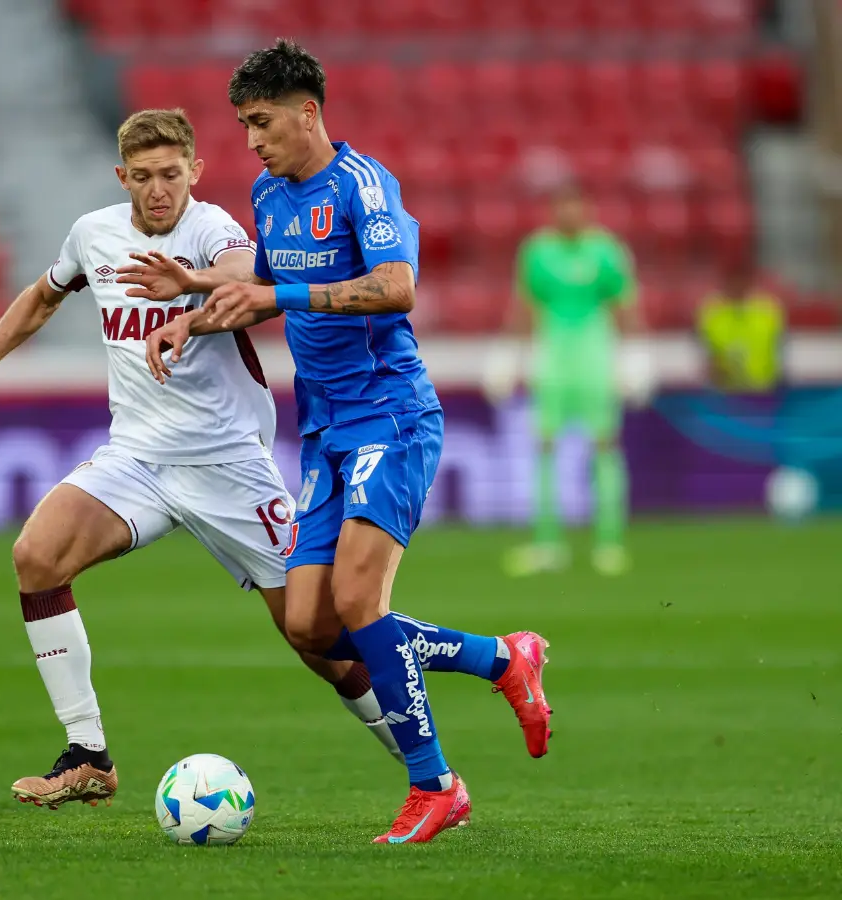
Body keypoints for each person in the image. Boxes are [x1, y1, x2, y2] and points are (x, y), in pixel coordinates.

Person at [0, 108, 502, 813]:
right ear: (123, 178)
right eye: (142, 177)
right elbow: (44, 295)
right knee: (36, 556)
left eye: (171, 174)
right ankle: (88, 754)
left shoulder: (213, 230)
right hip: (138, 458)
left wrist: (194, 298)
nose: (158, 190)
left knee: (319, 637)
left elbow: (242, 276)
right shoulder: (95, 234)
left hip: (231, 467)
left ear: (194, 172)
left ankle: (429, 775)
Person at [139, 41, 552, 844]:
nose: (252, 142)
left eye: (261, 123)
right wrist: (196, 306)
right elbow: (270, 282)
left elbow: (396, 288)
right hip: (325, 430)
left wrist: (273, 290)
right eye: (244, 126)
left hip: (390, 417)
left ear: (308, 112)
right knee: (309, 627)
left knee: (362, 604)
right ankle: (503, 658)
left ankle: (436, 786)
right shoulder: (268, 193)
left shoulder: (364, 185)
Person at [498, 183, 643, 578]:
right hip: (553, 360)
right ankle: (548, 544)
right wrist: (509, 357)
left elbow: (625, 305)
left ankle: (609, 543)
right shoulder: (538, 252)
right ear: (554, 211)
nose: (569, 215)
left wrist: (635, 358)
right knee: (545, 449)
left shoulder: (606, 251)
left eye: (576, 207)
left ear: (587, 210)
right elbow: (525, 306)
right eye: (562, 207)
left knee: (605, 448)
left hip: (596, 358)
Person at [697, 262, 785, 393]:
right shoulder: (711, 313)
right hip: (725, 390)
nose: (737, 288)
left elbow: (780, 348)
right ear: (726, 284)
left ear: (749, 284)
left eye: (741, 283)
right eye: (733, 284)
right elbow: (706, 351)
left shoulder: (768, 310)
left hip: (764, 388)